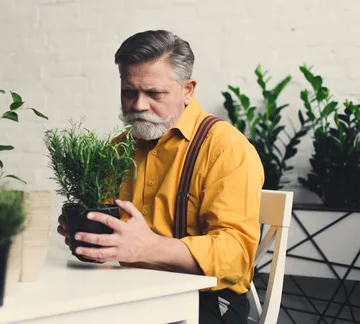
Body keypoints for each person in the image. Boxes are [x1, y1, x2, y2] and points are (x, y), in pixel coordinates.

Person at [57, 30, 263, 324]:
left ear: (188, 90)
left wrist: (149, 247)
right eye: (129, 92)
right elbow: (113, 238)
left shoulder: (225, 149)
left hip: (204, 302)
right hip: (133, 295)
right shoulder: (117, 150)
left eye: (154, 93)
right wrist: (92, 240)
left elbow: (237, 257)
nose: (139, 105)